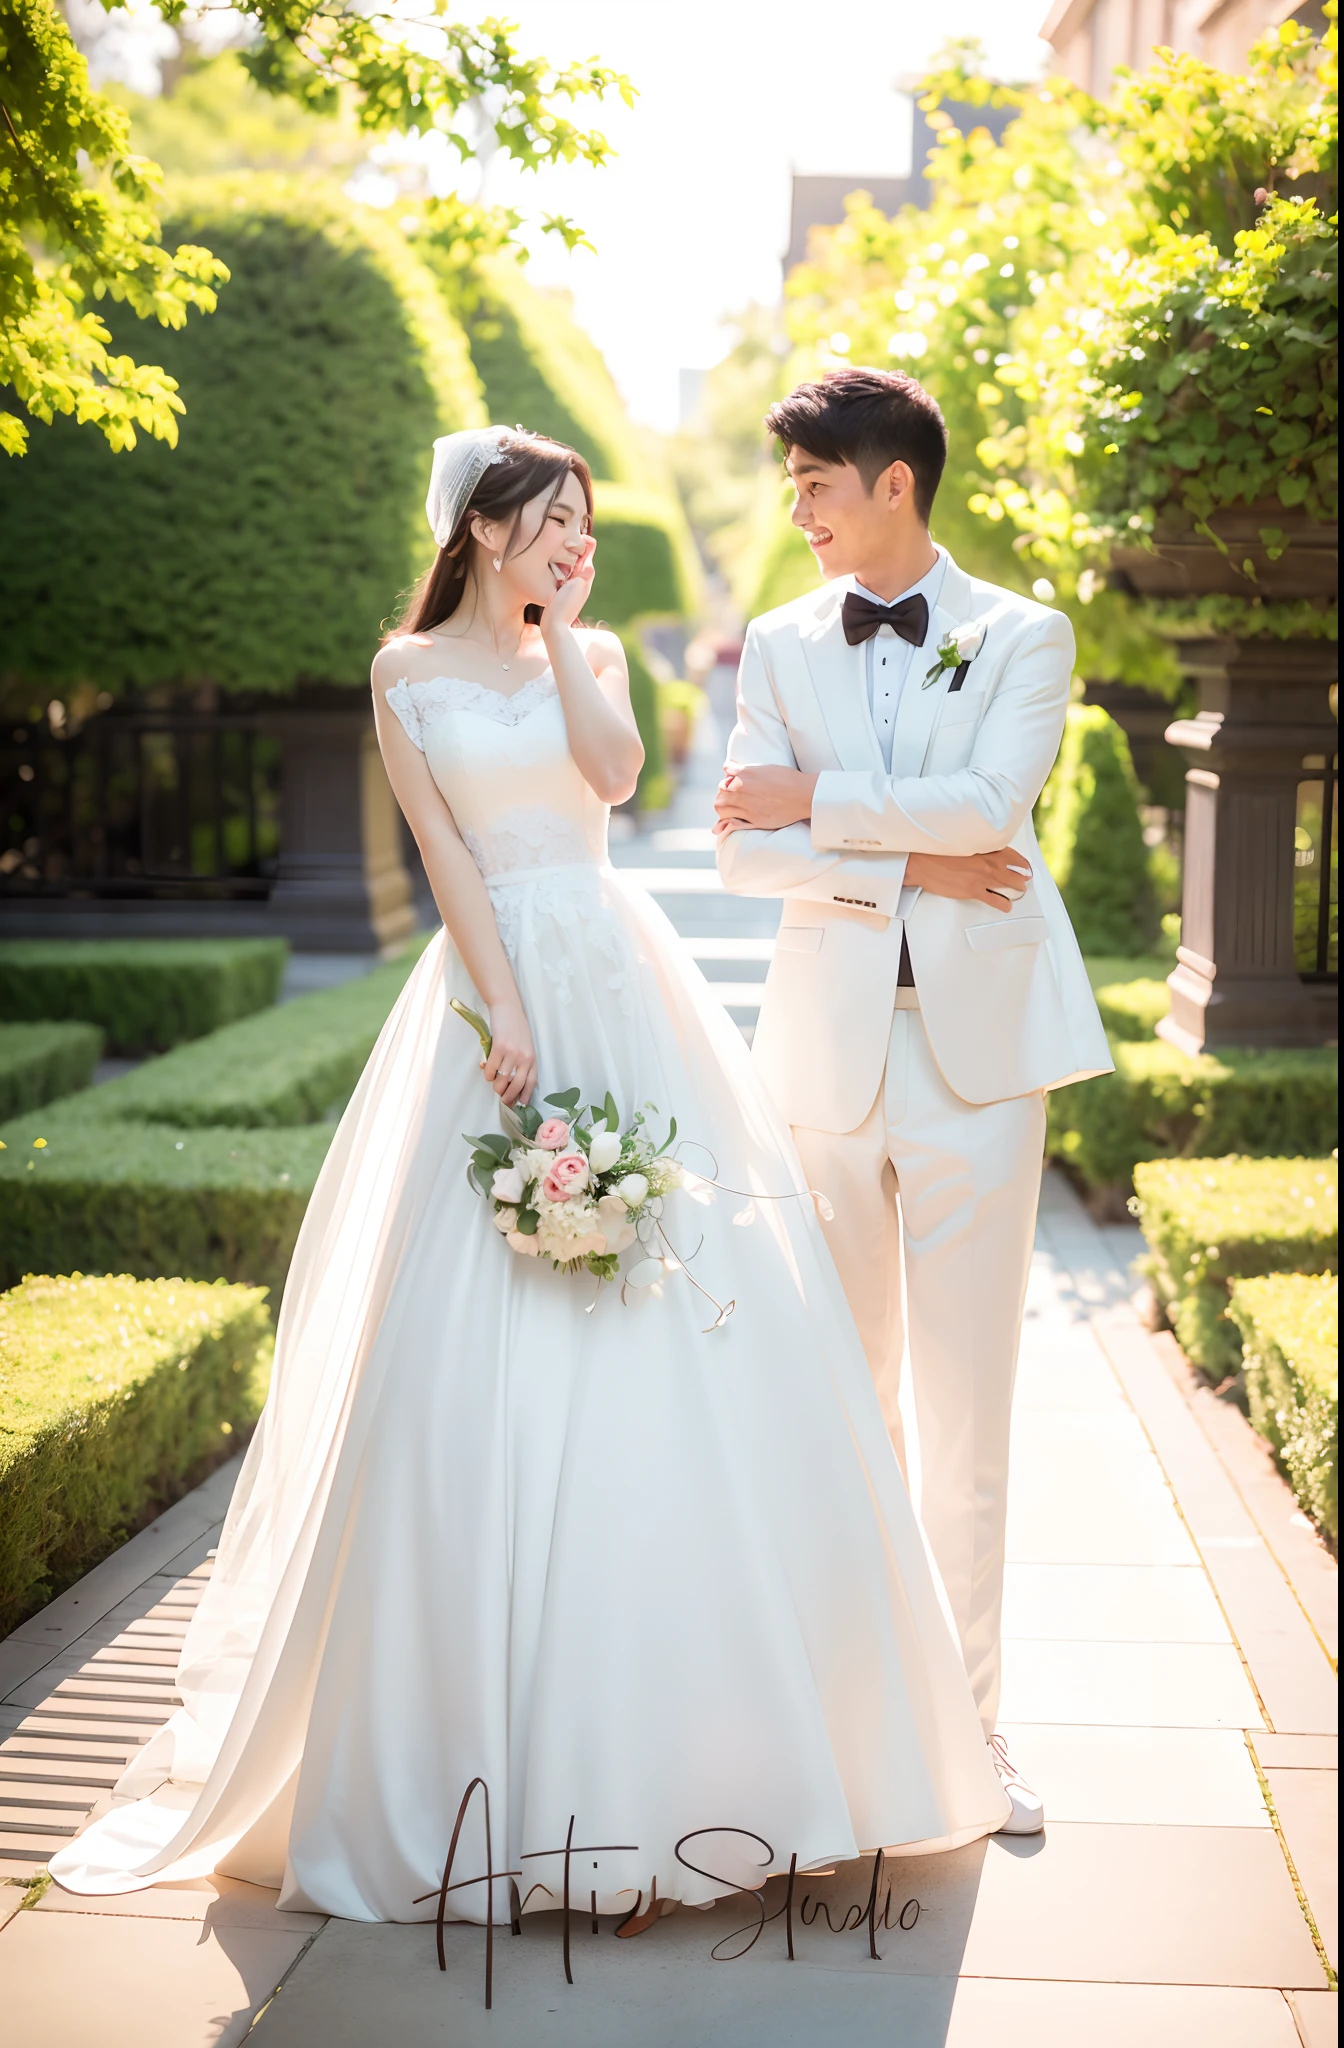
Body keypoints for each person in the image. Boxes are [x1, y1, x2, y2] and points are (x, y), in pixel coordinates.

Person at [50, 425, 1010, 1927]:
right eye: (551, 521)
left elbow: (618, 783)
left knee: (684, 1292)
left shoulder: (600, 649)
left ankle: (728, 1746)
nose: (575, 539)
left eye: (581, 523)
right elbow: (442, 855)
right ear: (484, 528)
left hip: (623, 972)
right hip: (493, 984)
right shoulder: (402, 675)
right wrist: (502, 1017)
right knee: (470, 1314)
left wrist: (563, 642)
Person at [715, 369, 1112, 1831]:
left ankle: (977, 1732)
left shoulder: (1025, 634)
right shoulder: (772, 641)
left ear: (895, 483)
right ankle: (840, 1721)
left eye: (817, 484)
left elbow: (986, 815)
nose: (799, 510)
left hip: (976, 1064)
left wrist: (824, 809)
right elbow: (739, 857)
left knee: (967, 1415)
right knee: (840, 1397)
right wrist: (905, 860)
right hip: (823, 1060)